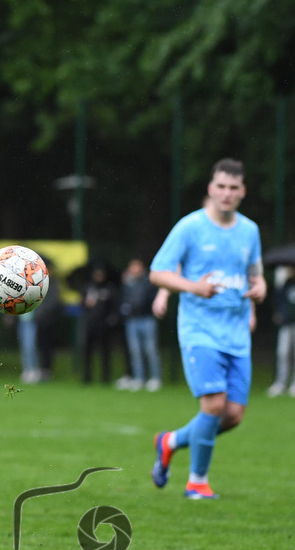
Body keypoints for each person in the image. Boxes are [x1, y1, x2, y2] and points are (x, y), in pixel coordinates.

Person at [149, 158, 266, 500]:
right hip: (200, 330)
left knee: (232, 415)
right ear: (211, 189)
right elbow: (158, 273)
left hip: (236, 334)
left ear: (242, 191)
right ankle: (197, 482)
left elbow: (256, 275)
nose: (227, 193)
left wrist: (259, 291)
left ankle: (169, 441)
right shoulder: (190, 227)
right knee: (213, 406)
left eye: (234, 188)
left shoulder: (250, 231)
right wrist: (192, 287)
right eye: (221, 187)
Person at [116, 257, 163, 392]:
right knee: (135, 351)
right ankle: (139, 378)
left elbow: (149, 299)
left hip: (147, 319)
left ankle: (155, 378)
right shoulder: (127, 283)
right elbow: (124, 299)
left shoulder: (149, 282)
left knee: (150, 350)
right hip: (132, 320)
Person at [267, 264, 295, 397]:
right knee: (283, 353)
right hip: (286, 324)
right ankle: (280, 383)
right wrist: (279, 313)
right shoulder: (286, 284)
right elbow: (279, 301)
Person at [80, 262, 119, 384]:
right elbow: (81, 305)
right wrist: (86, 303)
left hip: (104, 325)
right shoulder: (88, 288)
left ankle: (105, 378)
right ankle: (87, 377)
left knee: (105, 352)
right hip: (90, 324)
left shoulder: (109, 289)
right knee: (87, 352)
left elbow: (114, 307)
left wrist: (110, 321)